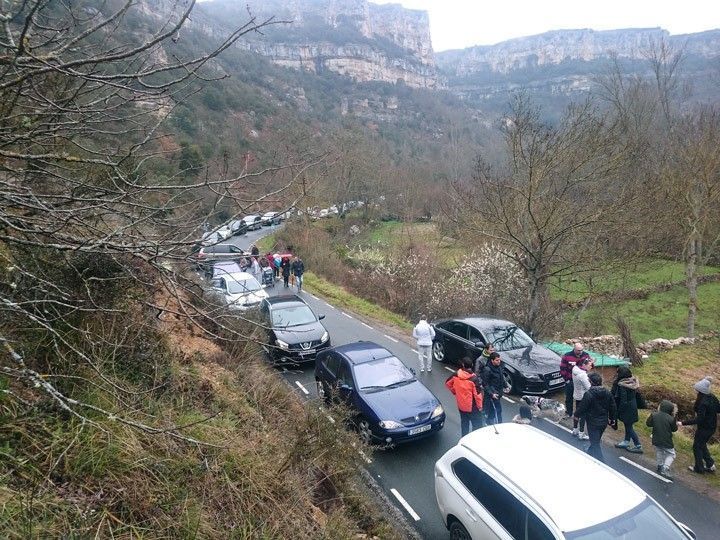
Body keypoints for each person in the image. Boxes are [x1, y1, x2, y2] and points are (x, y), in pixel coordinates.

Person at [575, 372, 617, 463]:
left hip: (593, 422)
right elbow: (613, 406)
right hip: (603, 422)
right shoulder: (607, 392)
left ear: (591, 382)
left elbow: (582, 407)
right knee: (595, 440)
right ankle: (589, 452)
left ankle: (601, 463)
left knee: (595, 443)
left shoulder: (589, 394)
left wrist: (576, 415)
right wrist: (612, 418)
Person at [681, 376, 720, 474]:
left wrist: (683, 423)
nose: (695, 391)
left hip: (704, 428)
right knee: (702, 444)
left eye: (697, 390)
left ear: (700, 391)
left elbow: (699, 419)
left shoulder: (703, 403)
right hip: (712, 427)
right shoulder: (713, 397)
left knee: (697, 446)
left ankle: (699, 468)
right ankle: (710, 465)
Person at [446, 357, 484, 437]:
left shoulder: (456, 375)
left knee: (464, 424)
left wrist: (455, 391)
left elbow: (448, 383)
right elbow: (477, 395)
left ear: (463, 365)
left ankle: (464, 439)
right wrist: (480, 407)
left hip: (461, 406)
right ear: (472, 365)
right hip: (473, 408)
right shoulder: (474, 379)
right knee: (477, 426)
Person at [612, 366, 644, 453]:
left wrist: (619, 411)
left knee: (629, 427)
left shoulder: (622, 385)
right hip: (632, 407)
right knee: (628, 425)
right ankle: (626, 441)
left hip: (626, 409)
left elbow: (623, 400)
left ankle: (638, 445)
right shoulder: (632, 382)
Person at [646, 400, 679, 478]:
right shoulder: (671, 418)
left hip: (656, 438)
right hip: (667, 440)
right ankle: (665, 467)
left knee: (659, 451)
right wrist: (674, 419)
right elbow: (674, 429)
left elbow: (648, 424)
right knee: (671, 454)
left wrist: (651, 417)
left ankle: (660, 466)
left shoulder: (654, 415)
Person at [561, 342, 591, 419]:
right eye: (578, 350)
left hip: (581, 381)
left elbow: (590, 366)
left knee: (581, 398)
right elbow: (562, 368)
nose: (580, 352)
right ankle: (569, 412)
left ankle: (579, 414)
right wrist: (566, 379)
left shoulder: (586, 355)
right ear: (574, 349)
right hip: (570, 380)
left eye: (581, 350)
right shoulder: (567, 356)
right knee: (569, 397)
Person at [572, 358, 593, 440]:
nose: (591, 367)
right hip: (583, 397)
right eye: (590, 365)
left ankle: (575, 429)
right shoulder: (583, 375)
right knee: (583, 415)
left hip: (577, 394)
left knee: (577, 413)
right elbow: (589, 387)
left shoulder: (575, 369)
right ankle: (581, 433)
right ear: (584, 365)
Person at [482, 352, 504, 425]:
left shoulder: (499, 367)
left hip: (498, 393)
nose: (499, 361)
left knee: (493, 411)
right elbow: (485, 384)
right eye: (497, 360)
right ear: (492, 360)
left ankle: (489, 422)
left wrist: (505, 385)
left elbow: (501, 378)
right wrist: (491, 394)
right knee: (497, 411)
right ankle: (498, 425)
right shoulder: (487, 370)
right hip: (492, 395)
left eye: (499, 360)